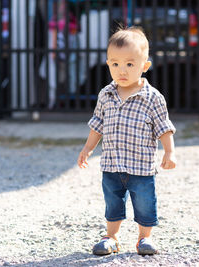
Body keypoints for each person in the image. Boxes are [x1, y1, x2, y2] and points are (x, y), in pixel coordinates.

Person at [77, 26, 177, 256]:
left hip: (141, 167)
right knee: (113, 203)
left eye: (130, 64)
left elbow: (164, 127)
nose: (122, 70)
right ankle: (111, 237)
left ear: (144, 66)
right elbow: (97, 125)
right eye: (115, 64)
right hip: (112, 164)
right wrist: (88, 148)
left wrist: (169, 152)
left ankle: (144, 238)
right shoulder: (106, 94)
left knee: (144, 203)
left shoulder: (153, 98)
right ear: (108, 64)